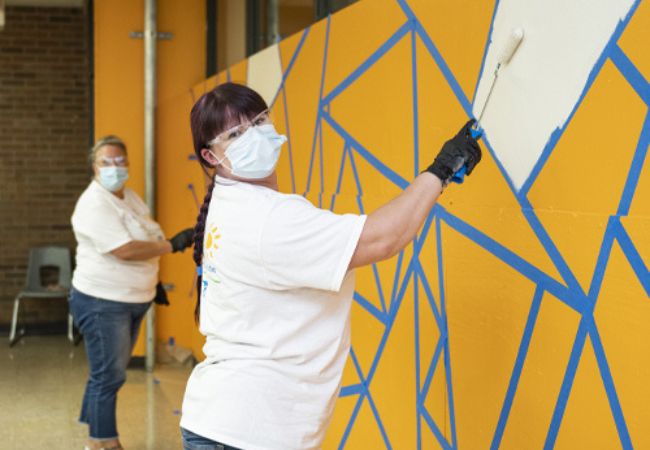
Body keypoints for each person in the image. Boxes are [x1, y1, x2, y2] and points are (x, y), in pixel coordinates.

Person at [179, 83, 481, 450]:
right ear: (211, 157)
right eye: (237, 134)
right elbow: (384, 237)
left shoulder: (234, 204)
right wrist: (442, 168)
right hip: (249, 430)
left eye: (259, 121)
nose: (255, 135)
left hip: (230, 421)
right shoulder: (267, 219)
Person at [68, 135, 194, 450]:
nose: (114, 168)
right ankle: (104, 442)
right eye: (105, 162)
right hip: (104, 302)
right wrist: (172, 245)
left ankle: (95, 432)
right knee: (109, 376)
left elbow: (146, 236)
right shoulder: (94, 203)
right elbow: (124, 250)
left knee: (107, 371)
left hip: (132, 298)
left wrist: (153, 284)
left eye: (120, 161)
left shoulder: (131, 198)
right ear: (94, 167)